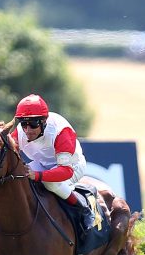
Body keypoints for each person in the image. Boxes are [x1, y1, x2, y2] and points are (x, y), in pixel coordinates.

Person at [11, 93, 94, 231]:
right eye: (23, 123)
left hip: (72, 167)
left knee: (49, 182)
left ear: (44, 121)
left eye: (32, 124)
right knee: (19, 175)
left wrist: (37, 175)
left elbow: (66, 171)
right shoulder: (20, 131)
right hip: (43, 164)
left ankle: (83, 208)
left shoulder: (60, 131)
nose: (27, 130)